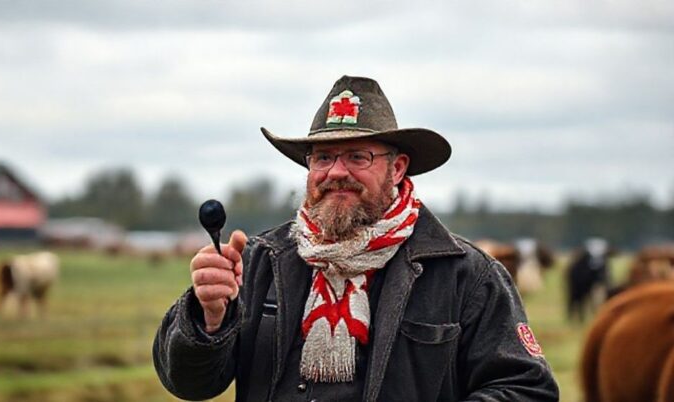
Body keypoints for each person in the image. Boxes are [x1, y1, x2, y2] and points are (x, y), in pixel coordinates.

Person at [153, 75, 559, 401]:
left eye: (357, 156)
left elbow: (527, 389)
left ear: (398, 169)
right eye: (323, 158)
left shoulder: (465, 275)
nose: (335, 172)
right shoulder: (262, 261)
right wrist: (209, 318)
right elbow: (190, 384)